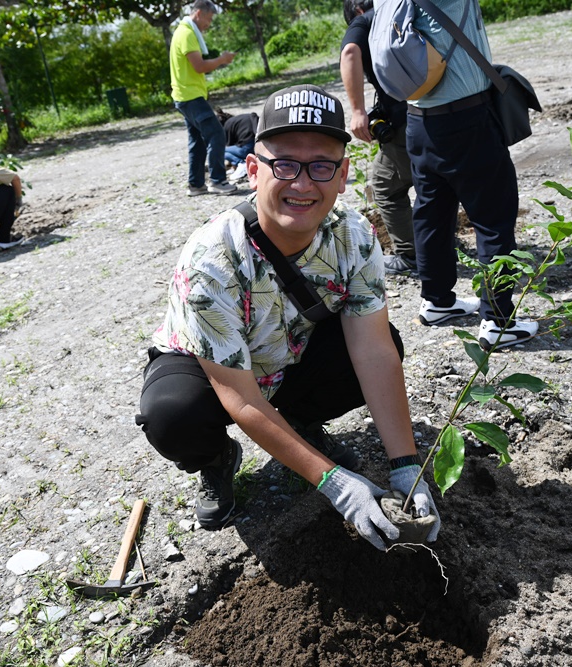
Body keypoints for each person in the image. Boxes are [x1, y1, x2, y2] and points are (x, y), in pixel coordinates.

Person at [135, 84, 441, 551]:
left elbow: (374, 351)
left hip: (287, 356)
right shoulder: (211, 258)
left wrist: (405, 463)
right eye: (284, 165)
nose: (302, 184)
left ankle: (299, 421)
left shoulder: (354, 236)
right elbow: (239, 396)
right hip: (214, 373)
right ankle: (216, 458)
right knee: (172, 415)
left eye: (321, 166)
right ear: (253, 170)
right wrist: (333, 482)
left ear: (342, 175)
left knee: (387, 343)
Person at [404, 0, 538, 350]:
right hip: (466, 121)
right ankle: (497, 321)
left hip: (418, 121)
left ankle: (437, 301)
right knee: (494, 217)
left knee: (431, 212)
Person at [340, 0, 417, 276]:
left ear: (358, 12)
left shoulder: (367, 19)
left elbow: (350, 52)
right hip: (440, 110)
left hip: (407, 122)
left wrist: (358, 111)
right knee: (438, 181)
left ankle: (410, 255)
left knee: (386, 185)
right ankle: (438, 242)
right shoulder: (409, 8)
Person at [170, 0, 238, 197]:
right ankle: (217, 181)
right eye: (208, 19)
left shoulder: (184, 31)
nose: (209, 24)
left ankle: (196, 185)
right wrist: (222, 60)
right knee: (216, 134)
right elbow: (199, 66)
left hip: (185, 95)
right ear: (198, 13)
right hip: (190, 96)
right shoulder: (187, 34)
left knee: (197, 141)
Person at [215, 108, 258, 183]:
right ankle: (240, 164)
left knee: (220, 150)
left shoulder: (227, 125)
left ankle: (241, 163)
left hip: (247, 147)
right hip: (258, 145)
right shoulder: (239, 119)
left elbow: (229, 145)